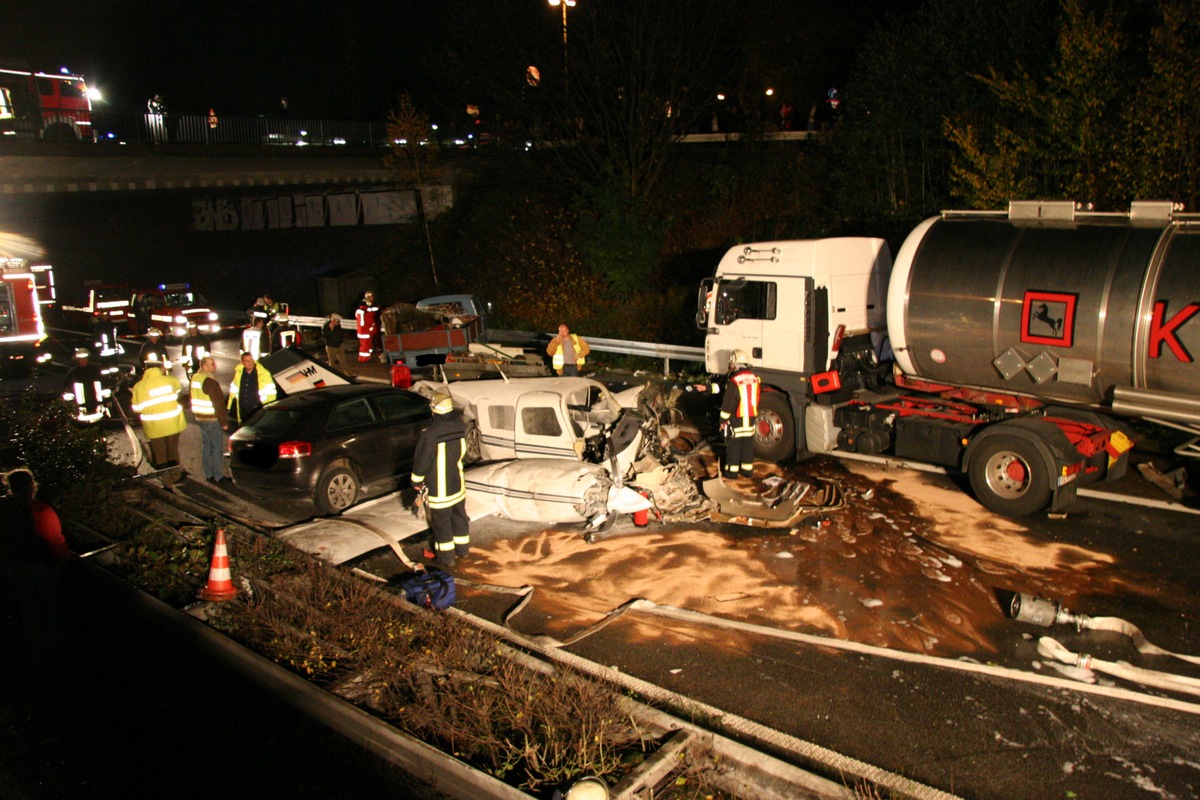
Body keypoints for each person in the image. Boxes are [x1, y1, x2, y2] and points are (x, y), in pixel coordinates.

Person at [0, 468, 70, 682]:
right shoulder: (41, 512)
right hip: (43, 569)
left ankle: (37, 660)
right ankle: (56, 659)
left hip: (17, 570)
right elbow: (55, 541)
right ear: (33, 486)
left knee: (30, 615)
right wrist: (64, 561)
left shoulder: (5, 511)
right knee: (51, 612)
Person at [411, 393, 469, 568]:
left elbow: (422, 460)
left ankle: (447, 558)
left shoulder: (430, 434)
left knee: (441, 524)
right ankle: (463, 550)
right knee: (459, 518)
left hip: (439, 490)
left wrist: (416, 481)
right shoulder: (460, 426)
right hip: (457, 485)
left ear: (434, 411)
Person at [131, 359, 187, 491]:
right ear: (160, 368)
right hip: (173, 422)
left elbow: (137, 408)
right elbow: (177, 389)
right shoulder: (170, 380)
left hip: (155, 425)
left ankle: (167, 483)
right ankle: (176, 475)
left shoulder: (140, 386)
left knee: (160, 454)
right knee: (173, 449)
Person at [719, 350, 761, 487]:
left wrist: (723, 420)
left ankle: (731, 473)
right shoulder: (755, 378)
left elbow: (729, 402)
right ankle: (747, 471)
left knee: (734, 446)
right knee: (747, 446)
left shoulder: (735, 381)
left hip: (737, 419)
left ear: (734, 363)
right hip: (751, 418)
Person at [190, 356, 229, 484]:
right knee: (216, 448)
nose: (215, 366)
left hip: (200, 418)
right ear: (204, 366)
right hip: (212, 419)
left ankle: (208, 475)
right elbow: (218, 404)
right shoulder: (210, 382)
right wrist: (223, 422)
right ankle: (218, 476)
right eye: (212, 364)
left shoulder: (195, 378)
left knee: (206, 447)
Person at [227, 352, 277, 428]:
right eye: (247, 361)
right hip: (243, 410)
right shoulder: (239, 373)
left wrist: (267, 409)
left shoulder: (264, 374)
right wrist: (229, 407)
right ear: (242, 362)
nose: (250, 363)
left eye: (251, 360)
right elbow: (233, 391)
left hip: (257, 409)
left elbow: (272, 393)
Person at [61, 347, 110, 424]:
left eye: (85, 358)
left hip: (97, 406)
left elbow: (105, 388)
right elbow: (66, 391)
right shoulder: (72, 374)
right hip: (80, 409)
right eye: (81, 359)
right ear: (77, 360)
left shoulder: (95, 371)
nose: (84, 361)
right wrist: (71, 406)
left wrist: (107, 401)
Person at [355, 291, 380, 363]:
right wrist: (372, 328)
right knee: (366, 345)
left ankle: (363, 357)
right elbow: (370, 320)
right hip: (366, 331)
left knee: (363, 345)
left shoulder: (360, 310)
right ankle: (365, 358)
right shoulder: (366, 311)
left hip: (361, 331)